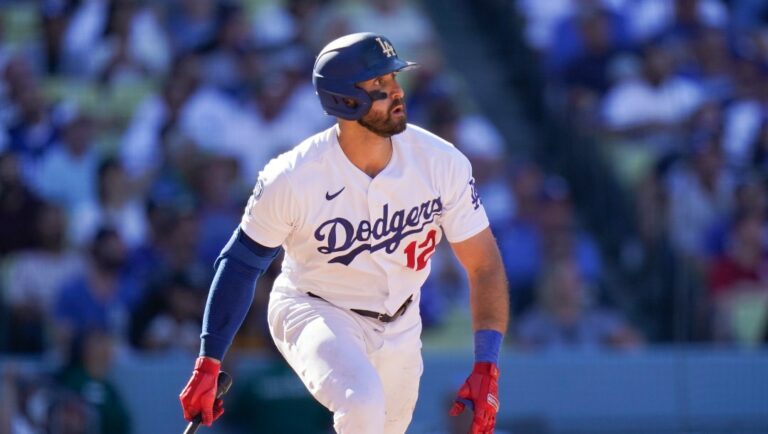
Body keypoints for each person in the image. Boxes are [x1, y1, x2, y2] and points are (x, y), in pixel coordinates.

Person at [178, 32, 509, 434]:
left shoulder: (442, 162)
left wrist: (487, 363)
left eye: (394, 80)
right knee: (361, 402)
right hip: (315, 307)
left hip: (403, 322)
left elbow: (484, 266)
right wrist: (210, 359)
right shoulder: (293, 176)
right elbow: (241, 264)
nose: (396, 93)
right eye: (380, 86)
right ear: (344, 100)